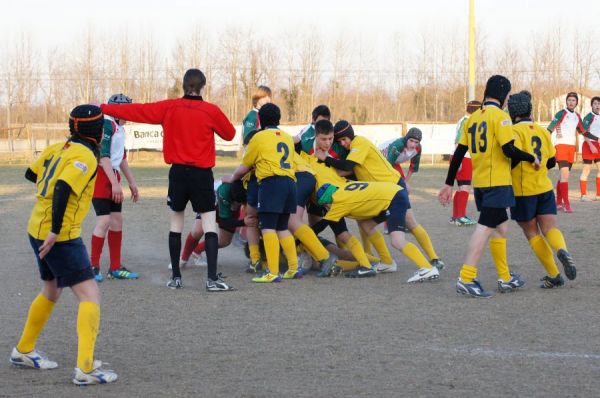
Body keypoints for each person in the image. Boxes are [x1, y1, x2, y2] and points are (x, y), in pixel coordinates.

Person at [100, 69, 236, 290]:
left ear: (183, 86)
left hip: (178, 174)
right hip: (202, 175)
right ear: (203, 87)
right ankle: (212, 280)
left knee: (176, 224)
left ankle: (176, 277)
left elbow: (138, 111)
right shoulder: (210, 110)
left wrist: (103, 108)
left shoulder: (169, 107)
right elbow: (229, 134)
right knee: (210, 225)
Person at [10, 105, 117, 385]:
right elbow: (62, 188)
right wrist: (56, 231)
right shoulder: (85, 156)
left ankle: (23, 350)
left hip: (36, 227)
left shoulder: (59, 148)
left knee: (51, 289)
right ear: (96, 131)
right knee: (90, 295)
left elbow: (31, 175)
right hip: (59, 236)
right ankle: (85, 370)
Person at [439, 75, 540, 298]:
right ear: (504, 96)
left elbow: (458, 153)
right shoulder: (501, 117)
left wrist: (448, 183)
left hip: (482, 184)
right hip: (498, 183)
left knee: (501, 228)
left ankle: (505, 277)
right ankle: (466, 278)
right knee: (484, 228)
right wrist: (530, 156)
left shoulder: (473, 118)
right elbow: (508, 150)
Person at [319, 120, 445, 272]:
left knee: (410, 223)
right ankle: (380, 259)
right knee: (364, 222)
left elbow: (348, 166)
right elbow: (349, 171)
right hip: (383, 191)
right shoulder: (353, 148)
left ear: (350, 135)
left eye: (344, 139)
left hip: (394, 187)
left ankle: (434, 259)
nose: (343, 143)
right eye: (340, 141)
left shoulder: (360, 143)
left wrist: (325, 158)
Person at [507, 91, 577, 287]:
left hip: (523, 191)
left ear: (512, 113)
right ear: (530, 110)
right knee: (550, 228)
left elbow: (512, 157)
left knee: (532, 233)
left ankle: (554, 274)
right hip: (544, 188)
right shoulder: (542, 131)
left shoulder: (513, 132)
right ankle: (562, 249)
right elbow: (552, 161)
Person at [225, 103, 300, 282]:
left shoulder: (259, 138)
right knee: (282, 227)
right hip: (290, 184)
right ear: (278, 119)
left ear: (260, 120)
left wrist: (233, 177)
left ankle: (272, 272)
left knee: (268, 228)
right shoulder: (287, 137)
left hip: (271, 183)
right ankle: (293, 269)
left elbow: (245, 166)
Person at [315, 180, 439, 283]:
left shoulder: (337, 202)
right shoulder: (342, 188)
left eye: (326, 205)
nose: (327, 209)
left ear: (328, 201)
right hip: (394, 193)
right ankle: (387, 262)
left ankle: (427, 268)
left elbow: (322, 225)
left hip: (393, 199)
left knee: (397, 241)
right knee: (366, 225)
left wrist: (301, 236)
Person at [90, 94, 140, 282]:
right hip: (102, 176)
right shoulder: (106, 124)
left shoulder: (119, 128)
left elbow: (122, 158)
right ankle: (93, 267)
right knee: (103, 221)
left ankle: (115, 267)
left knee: (117, 221)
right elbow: (103, 157)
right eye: (127, 109)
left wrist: (132, 182)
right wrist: (114, 183)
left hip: (113, 175)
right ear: (117, 109)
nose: (129, 113)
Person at [547, 92, 585, 212]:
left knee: (563, 176)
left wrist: (596, 139)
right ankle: (566, 204)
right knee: (565, 176)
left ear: (576, 103)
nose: (571, 102)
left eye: (573, 100)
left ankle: (558, 202)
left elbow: (583, 131)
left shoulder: (577, 116)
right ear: (566, 101)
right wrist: (547, 143)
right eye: (569, 100)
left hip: (571, 148)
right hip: (561, 146)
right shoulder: (562, 113)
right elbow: (550, 128)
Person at [449, 101, 482, 225]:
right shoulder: (466, 121)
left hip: (461, 157)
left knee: (461, 187)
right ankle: (460, 217)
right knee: (465, 188)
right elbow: (458, 141)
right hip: (464, 157)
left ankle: (456, 217)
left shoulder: (463, 120)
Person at [579, 96, 600, 201]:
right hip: (589, 145)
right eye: (595, 104)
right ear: (592, 105)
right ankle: (583, 195)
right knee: (587, 169)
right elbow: (584, 132)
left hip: (598, 146)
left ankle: (598, 195)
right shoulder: (588, 116)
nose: (597, 106)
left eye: (599, 104)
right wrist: (591, 145)